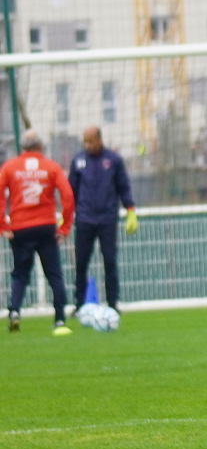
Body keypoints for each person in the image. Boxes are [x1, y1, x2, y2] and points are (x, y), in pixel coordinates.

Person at [1, 130, 75, 331]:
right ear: (41, 146)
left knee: (20, 274)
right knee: (53, 273)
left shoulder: (10, 167)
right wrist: (65, 226)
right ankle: (59, 317)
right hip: (45, 227)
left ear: (22, 147)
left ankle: (15, 311)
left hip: (20, 228)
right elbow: (67, 196)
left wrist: (3, 225)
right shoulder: (51, 167)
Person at [68, 126, 137, 315]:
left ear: (99, 140)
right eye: (85, 141)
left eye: (90, 141)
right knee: (81, 262)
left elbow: (123, 186)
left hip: (107, 218)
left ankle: (113, 303)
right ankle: (80, 304)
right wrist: (67, 214)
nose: (87, 145)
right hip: (84, 219)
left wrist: (130, 209)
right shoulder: (78, 161)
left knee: (110, 260)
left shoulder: (113, 160)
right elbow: (71, 190)